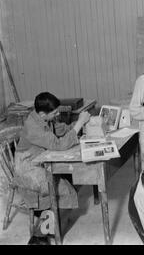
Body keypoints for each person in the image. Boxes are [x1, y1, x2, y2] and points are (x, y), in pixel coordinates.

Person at [14, 92, 90, 244]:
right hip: (28, 168)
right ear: (42, 113)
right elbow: (58, 145)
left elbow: (59, 129)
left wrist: (74, 127)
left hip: (39, 160)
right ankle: (40, 237)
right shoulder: (33, 127)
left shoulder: (42, 117)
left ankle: (52, 221)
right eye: (54, 112)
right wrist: (80, 124)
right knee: (64, 191)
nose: (57, 115)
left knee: (71, 179)